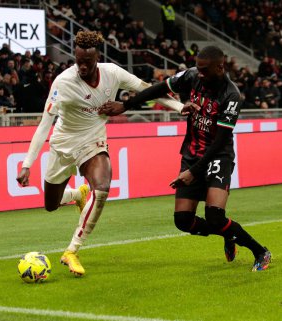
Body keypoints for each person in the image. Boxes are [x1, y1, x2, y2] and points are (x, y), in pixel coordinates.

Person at [16, 30, 183, 277]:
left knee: (103, 187)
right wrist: (27, 164)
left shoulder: (112, 73)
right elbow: (44, 123)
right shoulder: (63, 82)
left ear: (97, 58)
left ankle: (72, 250)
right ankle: (77, 194)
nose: (82, 66)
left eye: (87, 62)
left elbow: (147, 88)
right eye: (78, 61)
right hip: (63, 145)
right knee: (51, 204)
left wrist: (180, 107)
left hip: (93, 142)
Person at [99, 46, 272, 272]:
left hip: (218, 156)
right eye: (198, 68)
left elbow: (220, 141)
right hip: (191, 153)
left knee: (214, 215)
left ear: (220, 67)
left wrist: (194, 172)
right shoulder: (191, 76)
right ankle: (228, 234)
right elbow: (158, 89)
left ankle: (260, 251)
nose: (199, 73)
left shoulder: (231, 96)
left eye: (204, 69)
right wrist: (126, 105)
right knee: (182, 221)